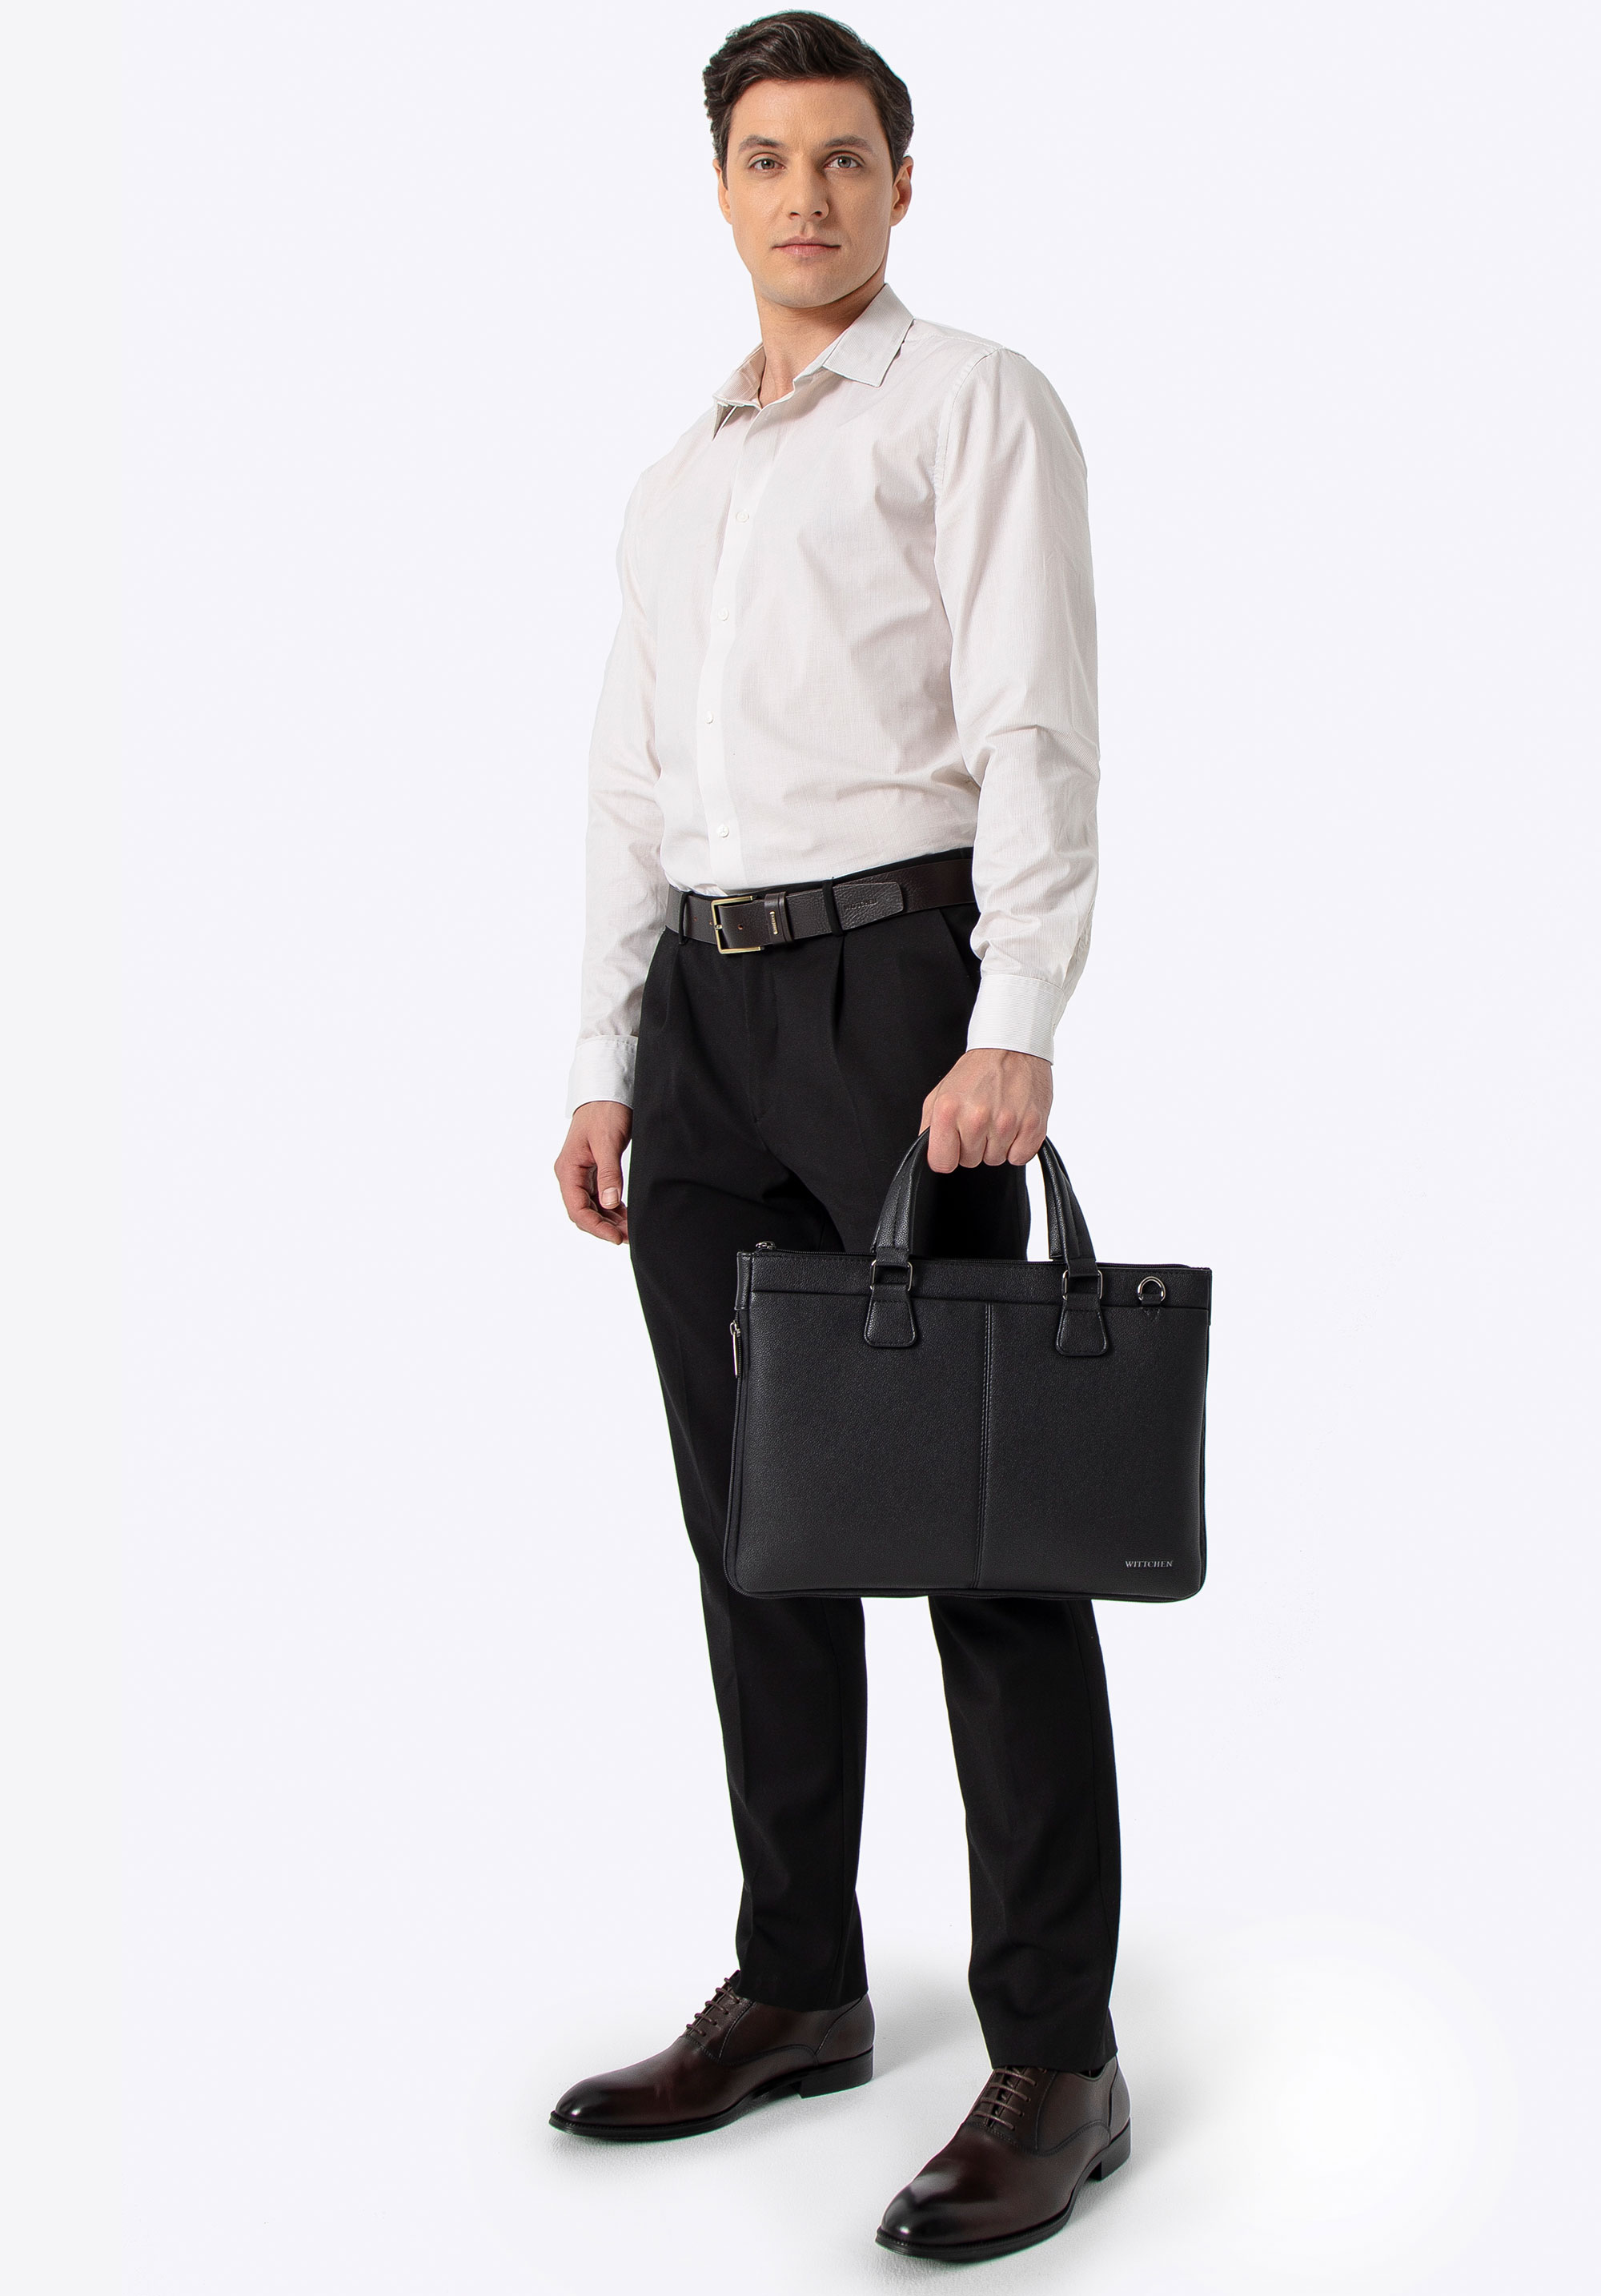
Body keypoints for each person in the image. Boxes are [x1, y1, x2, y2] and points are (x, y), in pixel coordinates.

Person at [549, 10, 1126, 2263]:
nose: (807, 195)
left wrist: (1018, 1020)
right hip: (700, 1019)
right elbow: (630, 782)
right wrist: (605, 1055)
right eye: (769, 158)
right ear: (720, 189)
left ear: (901, 181)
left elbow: (1038, 721)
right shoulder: (675, 479)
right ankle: (798, 1980)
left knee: (984, 1530)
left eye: (846, 157)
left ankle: (1058, 2051)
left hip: (902, 997)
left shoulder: (972, 403)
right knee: (757, 1526)